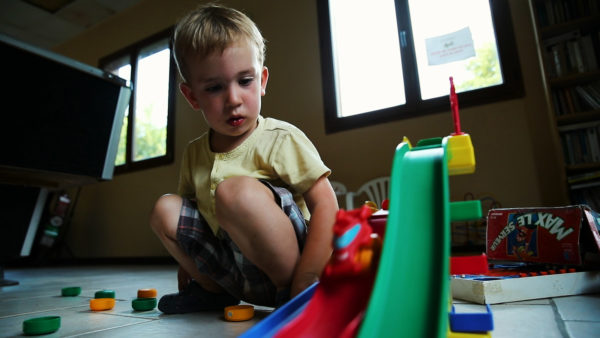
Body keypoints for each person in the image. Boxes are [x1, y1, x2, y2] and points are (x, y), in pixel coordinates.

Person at [150, 3, 338, 314]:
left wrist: (308, 276)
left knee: (232, 191)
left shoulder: (280, 137)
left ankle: (289, 291)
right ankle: (212, 291)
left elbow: (327, 205)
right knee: (165, 209)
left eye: (245, 81)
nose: (234, 99)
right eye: (214, 87)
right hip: (233, 271)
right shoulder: (195, 153)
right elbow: (189, 222)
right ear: (192, 96)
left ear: (262, 80)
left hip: (292, 272)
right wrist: (188, 268)